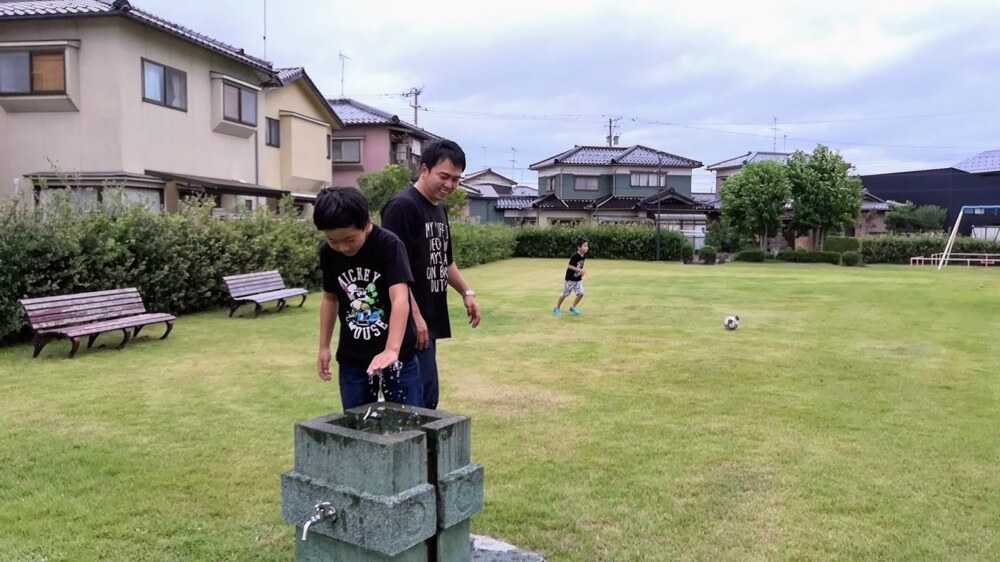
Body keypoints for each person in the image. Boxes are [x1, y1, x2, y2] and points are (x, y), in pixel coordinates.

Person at [381, 139, 481, 410]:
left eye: (456, 179)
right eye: (444, 176)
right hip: (408, 324)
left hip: (428, 320)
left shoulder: (439, 207)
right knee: (411, 406)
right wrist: (415, 317)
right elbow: (393, 272)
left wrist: (467, 293)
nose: (449, 185)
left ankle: (427, 453)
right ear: (424, 170)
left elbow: (445, 260)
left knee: (428, 402)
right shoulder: (401, 207)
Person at [313, 187, 423, 410]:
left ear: (367, 223)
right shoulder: (327, 253)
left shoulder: (389, 245)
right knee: (357, 426)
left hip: (399, 356)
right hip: (353, 357)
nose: (342, 247)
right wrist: (324, 346)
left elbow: (400, 298)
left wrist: (392, 349)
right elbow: (329, 299)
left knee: (409, 422)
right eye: (333, 241)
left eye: (349, 239)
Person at [554, 237, 589, 317]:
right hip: (570, 279)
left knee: (581, 293)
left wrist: (581, 272)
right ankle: (557, 308)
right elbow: (569, 266)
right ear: (579, 247)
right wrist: (580, 270)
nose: (586, 247)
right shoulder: (575, 256)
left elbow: (580, 265)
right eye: (584, 246)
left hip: (578, 279)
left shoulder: (583, 255)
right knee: (565, 294)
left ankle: (572, 307)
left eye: (587, 246)